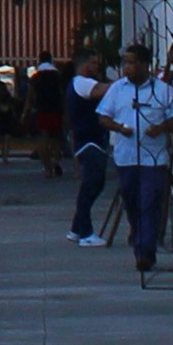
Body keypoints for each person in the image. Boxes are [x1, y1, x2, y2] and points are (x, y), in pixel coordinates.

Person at [102, 37, 173, 280]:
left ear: (145, 65)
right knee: (132, 202)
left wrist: (161, 128)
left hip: (154, 158)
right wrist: (118, 127)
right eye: (125, 63)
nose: (127, 68)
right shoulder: (118, 89)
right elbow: (102, 116)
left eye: (132, 63)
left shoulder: (162, 90)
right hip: (126, 157)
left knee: (150, 202)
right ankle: (139, 238)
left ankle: (145, 251)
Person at [63, 47, 117, 242]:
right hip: (88, 141)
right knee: (90, 184)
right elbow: (99, 91)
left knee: (96, 183)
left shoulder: (80, 83)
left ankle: (77, 228)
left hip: (93, 140)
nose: (97, 66)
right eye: (93, 62)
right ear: (84, 64)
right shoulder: (82, 83)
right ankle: (85, 232)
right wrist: (122, 82)